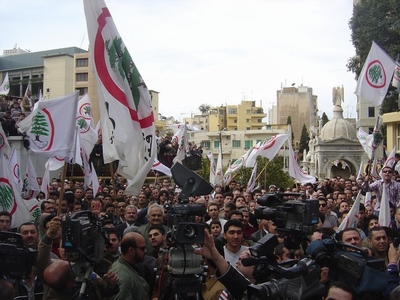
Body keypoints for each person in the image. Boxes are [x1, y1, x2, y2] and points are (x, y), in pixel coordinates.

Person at [110, 232, 150, 300]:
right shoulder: (121, 276)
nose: (146, 251)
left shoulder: (130, 266)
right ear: (131, 251)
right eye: (143, 248)